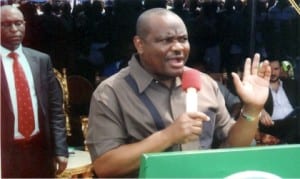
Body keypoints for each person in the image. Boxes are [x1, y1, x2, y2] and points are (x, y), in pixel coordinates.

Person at [86, 8, 271, 178]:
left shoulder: (205, 83)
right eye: (166, 40)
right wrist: (168, 136)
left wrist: (253, 109)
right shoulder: (111, 93)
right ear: (139, 44)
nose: (178, 47)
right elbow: (105, 166)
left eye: (183, 39)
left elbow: (234, 145)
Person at [1, 5, 68, 177]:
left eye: (18, 23)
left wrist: (60, 149)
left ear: (25, 24)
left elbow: (55, 110)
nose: (14, 29)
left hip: (40, 151)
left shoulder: (40, 60)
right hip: (5, 154)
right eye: (6, 24)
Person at [259, 58, 300, 143]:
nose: (273, 73)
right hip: (273, 125)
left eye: (276, 69)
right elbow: (249, 103)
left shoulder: (291, 84)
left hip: (294, 120)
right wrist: (261, 110)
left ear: (281, 69)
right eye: (270, 69)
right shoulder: (260, 87)